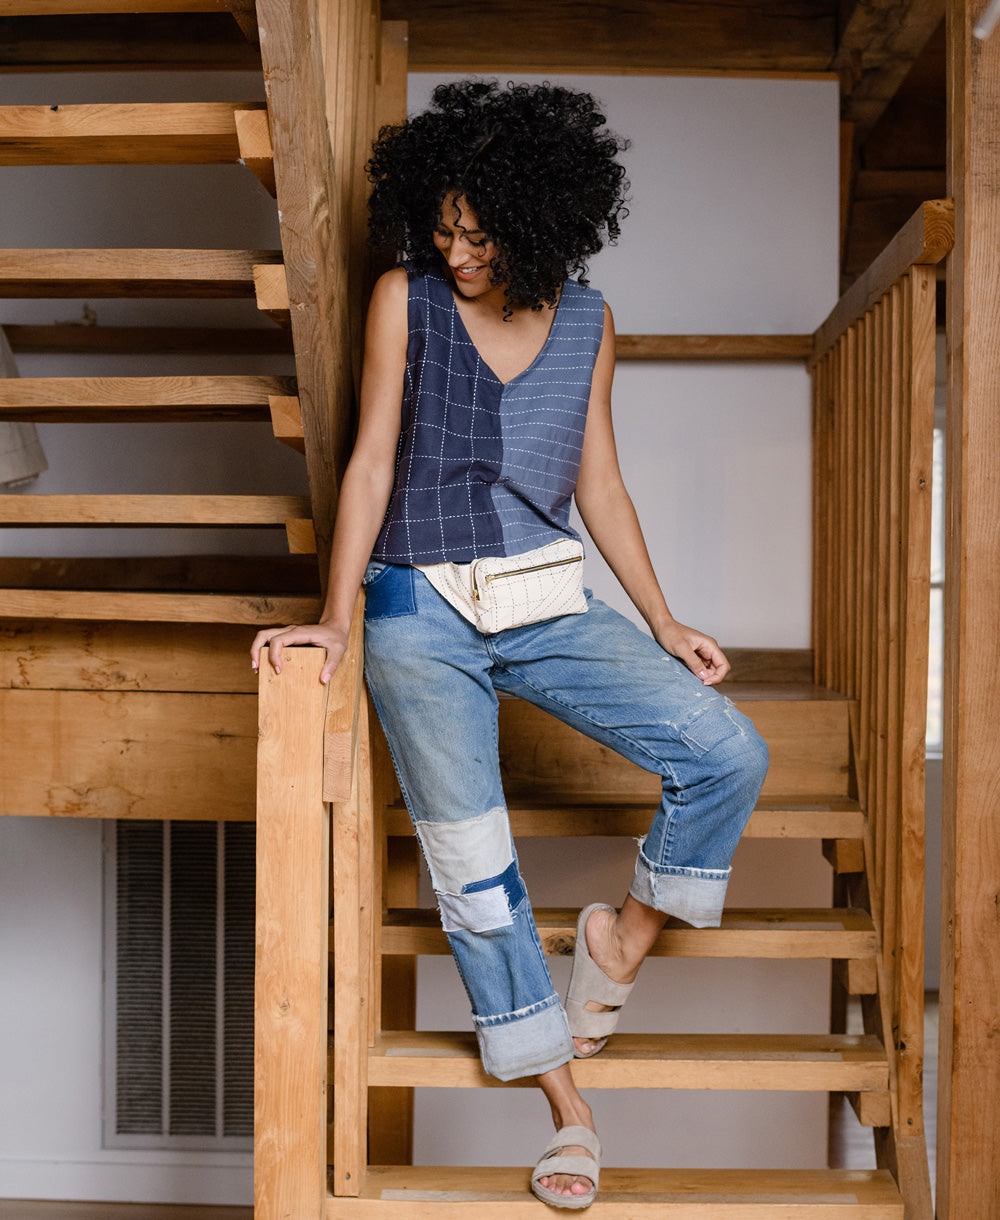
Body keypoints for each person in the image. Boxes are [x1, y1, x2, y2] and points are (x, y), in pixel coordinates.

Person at [251, 79, 769, 1210]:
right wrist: (338, 614)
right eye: (442, 229)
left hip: (544, 598)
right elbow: (373, 461)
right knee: (476, 875)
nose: (457, 251)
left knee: (727, 750)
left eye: (479, 235)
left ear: (536, 223)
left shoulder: (586, 318)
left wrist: (662, 616)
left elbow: (602, 485)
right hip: (414, 607)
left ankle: (619, 939)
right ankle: (572, 1113)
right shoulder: (406, 299)